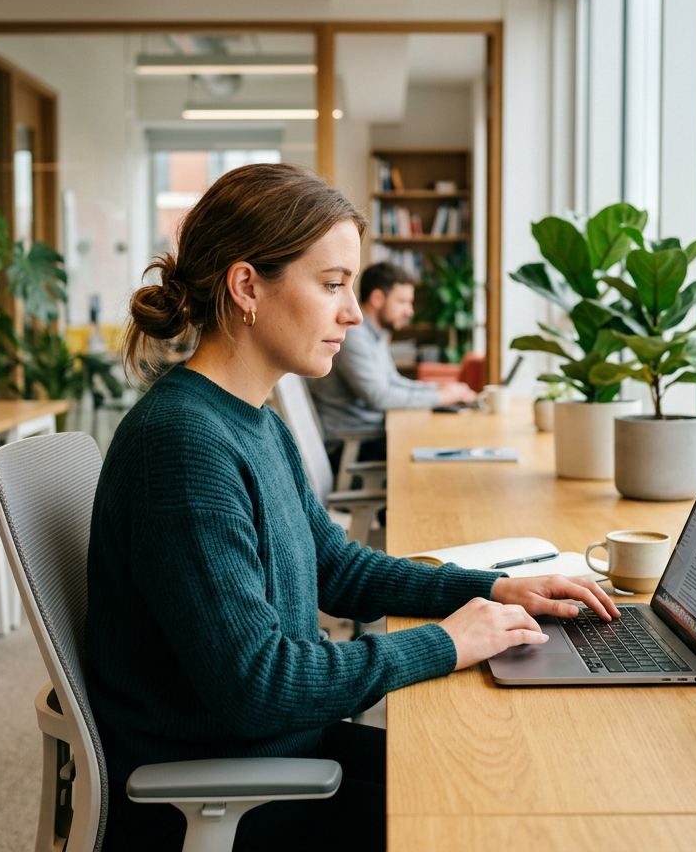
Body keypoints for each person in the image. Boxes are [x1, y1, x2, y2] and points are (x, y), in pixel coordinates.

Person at [85, 163, 619, 851]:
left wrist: (494, 588)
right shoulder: (183, 444)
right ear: (247, 287)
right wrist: (448, 642)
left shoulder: (253, 418)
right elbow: (259, 682)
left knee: (517, 790)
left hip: (274, 755)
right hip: (224, 794)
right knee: (499, 820)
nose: (354, 312)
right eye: (333, 284)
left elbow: (336, 567)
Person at [308, 261, 476, 463]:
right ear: (378, 298)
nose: (410, 311)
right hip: (353, 445)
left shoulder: (375, 334)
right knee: (441, 445)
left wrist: (440, 389)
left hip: (372, 433)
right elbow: (379, 397)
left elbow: (393, 381)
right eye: (403, 302)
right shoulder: (353, 337)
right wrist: (441, 397)